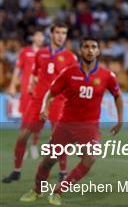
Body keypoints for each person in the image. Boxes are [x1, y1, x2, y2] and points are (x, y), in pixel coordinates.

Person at [19, 36, 123, 206]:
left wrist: (120, 120)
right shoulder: (69, 73)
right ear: (80, 50)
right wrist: (44, 107)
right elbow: (51, 92)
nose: (90, 50)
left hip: (89, 126)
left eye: (93, 46)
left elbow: (117, 96)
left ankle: (58, 191)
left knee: (90, 158)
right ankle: (37, 190)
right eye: (86, 46)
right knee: (49, 161)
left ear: (98, 51)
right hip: (66, 124)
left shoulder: (107, 76)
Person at [3, 23, 77, 183]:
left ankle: (63, 172)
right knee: (22, 136)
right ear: (51, 34)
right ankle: (16, 171)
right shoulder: (41, 54)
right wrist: (31, 85)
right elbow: (35, 74)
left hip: (58, 102)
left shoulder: (71, 57)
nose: (61, 36)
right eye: (58, 32)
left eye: (64, 33)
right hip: (38, 101)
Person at [6, 31, 45, 160]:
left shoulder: (46, 53)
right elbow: (18, 68)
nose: (39, 38)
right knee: (25, 119)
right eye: (37, 35)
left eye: (41, 36)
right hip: (26, 91)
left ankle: (34, 144)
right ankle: (23, 146)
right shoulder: (25, 51)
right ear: (33, 37)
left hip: (40, 90)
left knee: (39, 119)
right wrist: (12, 85)